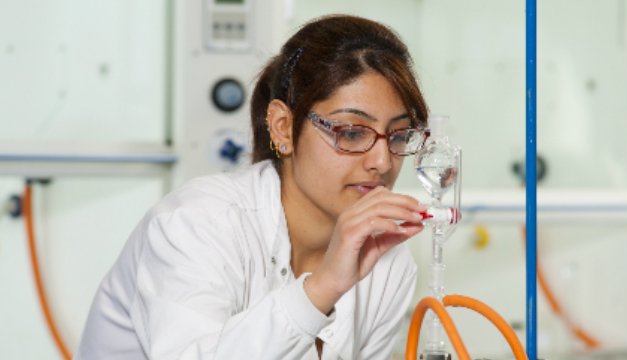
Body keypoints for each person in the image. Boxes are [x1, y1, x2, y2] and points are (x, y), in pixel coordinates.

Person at [76, 14, 430, 360]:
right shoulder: (196, 223)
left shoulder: (387, 259)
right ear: (282, 127)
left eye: (399, 136)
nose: (383, 162)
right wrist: (322, 288)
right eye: (351, 132)